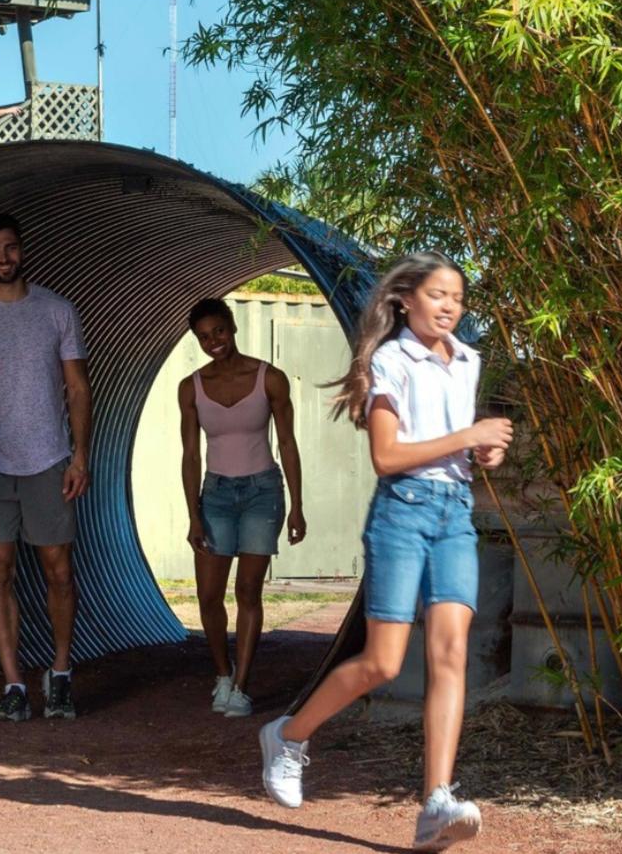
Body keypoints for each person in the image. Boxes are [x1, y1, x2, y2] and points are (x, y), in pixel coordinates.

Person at [256, 252, 512, 851]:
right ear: (405, 301)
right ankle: (289, 735)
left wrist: (482, 452)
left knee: (452, 656)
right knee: (384, 664)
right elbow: (388, 457)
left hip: (454, 514)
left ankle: (436, 801)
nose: (450, 305)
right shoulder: (390, 360)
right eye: (437, 294)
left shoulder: (468, 360)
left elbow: (450, 443)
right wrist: (468, 435)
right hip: (402, 512)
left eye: (457, 296)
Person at [0, 211, 91, 721]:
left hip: (49, 457)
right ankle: (14, 686)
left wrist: (81, 455)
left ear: (21, 249)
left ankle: (62, 674)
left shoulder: (56, 311)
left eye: (10, 247)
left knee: (59, 570)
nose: (3, 257)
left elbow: (77, 387)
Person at [178, 298, 306, 718]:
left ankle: (241, 686)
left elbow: (286, 442)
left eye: (219, 331)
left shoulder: (270, 379)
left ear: (232, 327)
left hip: (261, 492)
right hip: (214, 495)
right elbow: (191, 455)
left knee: (248, 591)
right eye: (203, 337)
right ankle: (221, 673)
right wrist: (193, 513)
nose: (213, 341)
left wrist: (297, 505)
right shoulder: (191, 387)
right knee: (209, 594)